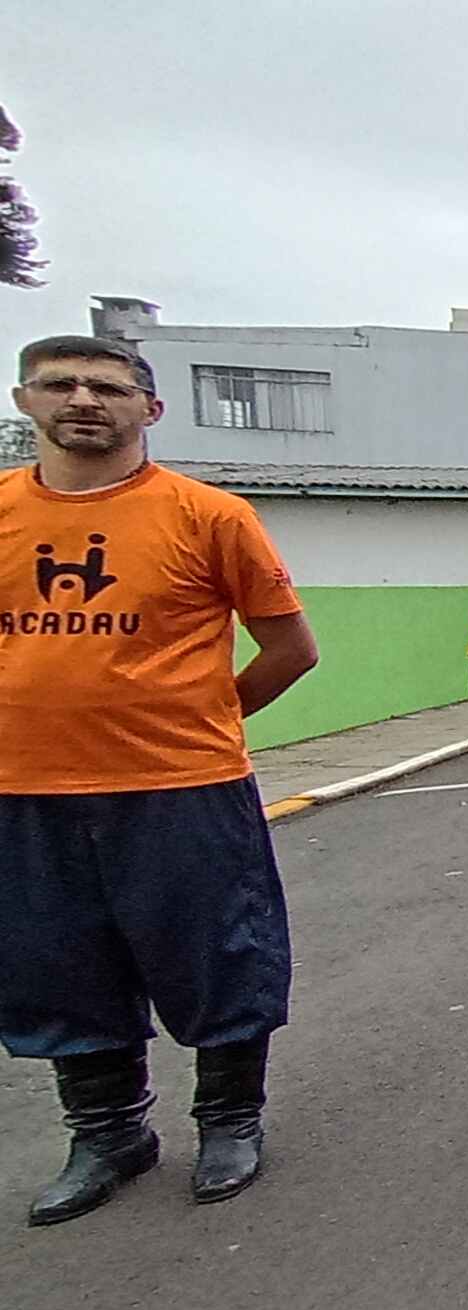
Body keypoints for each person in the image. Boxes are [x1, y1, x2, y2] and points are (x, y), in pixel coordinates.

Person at [2, 335, 318, 1223]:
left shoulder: (208, 515)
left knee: (221, 953)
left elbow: (290, 647)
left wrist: (207, 719)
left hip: (183, 785)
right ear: (26, 400)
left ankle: (229, 1120)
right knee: (61, 964)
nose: (83, 400)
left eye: (107, 387)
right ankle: (107, 1133)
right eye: (61, 384)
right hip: (28, 789)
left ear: (150, 409)